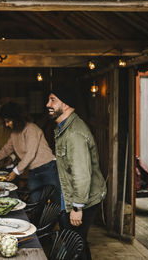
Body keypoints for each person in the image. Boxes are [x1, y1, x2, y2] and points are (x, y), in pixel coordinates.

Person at [46, 85, 107, 260]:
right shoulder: (64, 128)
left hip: (82, 200)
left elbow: (81, 174)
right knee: (75, 242)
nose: (47, 104)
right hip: (72, 196)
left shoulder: (74, 134)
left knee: (75, 244)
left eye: (52, 100)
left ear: (65, 104)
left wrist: (78, 207)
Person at [0, 102, 61, 204]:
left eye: (8, 121)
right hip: (33, 171)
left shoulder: (31, 129)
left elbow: (30, 153)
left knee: (56, 203)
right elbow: (6, 149)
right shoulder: (14, 133)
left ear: (16, 118)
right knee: (34, 203)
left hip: (49, 169)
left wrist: (16, 171)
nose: (6, 124)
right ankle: (37, 220)